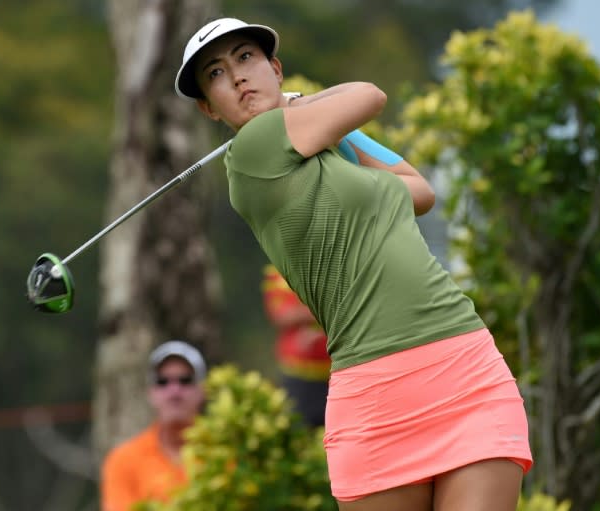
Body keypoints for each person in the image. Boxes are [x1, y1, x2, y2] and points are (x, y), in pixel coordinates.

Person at [174, 17, 533, 511]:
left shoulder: (330, 156)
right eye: (215, 74)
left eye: (245, 58)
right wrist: (297, 103)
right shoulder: (254, 153)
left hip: (461, 366)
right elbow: (369, 95)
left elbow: (419, 190)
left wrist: (335, 139)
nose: (236, 76)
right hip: (375, 395)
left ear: (274, 68)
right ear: (209, 109)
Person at [100, 340, 207, 511]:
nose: (174, 391)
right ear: (151, 393)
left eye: (185, 380)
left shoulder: (226, 456)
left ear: (203, 390)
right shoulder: (123, 461)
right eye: (163, 381)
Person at [262, 263, 330, 427]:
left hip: (338, 371)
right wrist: (321, 311)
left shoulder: (333, 261)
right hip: (298, 372)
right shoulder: (277, 268)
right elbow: (280, 315)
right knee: (300, 429)